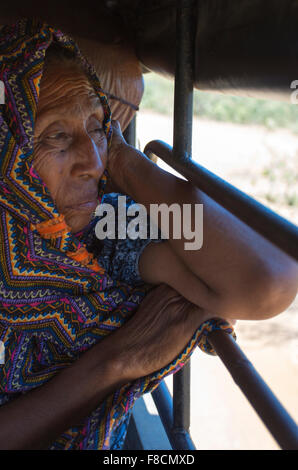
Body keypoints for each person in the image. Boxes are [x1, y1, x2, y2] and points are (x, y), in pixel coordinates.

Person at [0, 19, 297, 450]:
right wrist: (114, 363)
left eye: (98, 128)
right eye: (57, 136)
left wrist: (125, 161)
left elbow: (267, 281)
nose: (92, 164)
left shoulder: (103, 231)